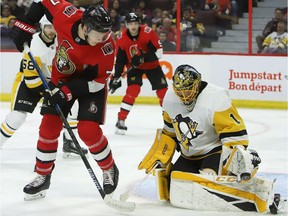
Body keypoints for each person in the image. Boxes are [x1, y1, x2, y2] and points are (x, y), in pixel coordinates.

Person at [138, 64, 284, 214]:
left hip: (213, 152)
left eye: (188, 90)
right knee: (175, 185)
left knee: (208, 180)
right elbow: (170, 132)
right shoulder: (169, 98)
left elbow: (234, 134)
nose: (184, 95)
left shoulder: (215, 97)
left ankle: (259, 189)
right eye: (180, 91)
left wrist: (233, 162)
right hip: (188, 155)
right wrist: (161, 153)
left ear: (197, 84)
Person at [9, 1, 119, 200]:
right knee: (48, 127)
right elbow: (42, 2)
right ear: (85, 27)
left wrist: (67, 91)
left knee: (88, 131)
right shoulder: (65, 15)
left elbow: (99, 83)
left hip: (90, 86)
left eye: (106, 33)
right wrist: (25, 24)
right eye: (99, 33)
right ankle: (43, 176)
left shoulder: (107, 47)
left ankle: (109, 168)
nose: (104, 37)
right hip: (62, 79)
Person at [0, 15, 88, 159]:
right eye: (48, 27)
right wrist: (48, 92)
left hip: (51, 84)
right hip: (28, 83)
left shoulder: (61, 41)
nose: (52, 30)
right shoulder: (33, 43)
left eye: (54, 27)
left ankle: (69, 142)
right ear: (42, 27)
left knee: (74, 104)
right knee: (17, 117)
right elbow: (31, 80)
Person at [109, 12, 168, 135]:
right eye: (130, 24)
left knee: (163, 92)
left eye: (135, 23)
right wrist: (116, 77)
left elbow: (159, 52)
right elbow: (120, 60)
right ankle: (120, 120)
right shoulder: (121, 37)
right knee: (132, 91)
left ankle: (170, 122)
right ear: (126, 25)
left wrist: (143, 57)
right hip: (135, 67)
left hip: (152, 66)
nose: (133, 26)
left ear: (139, 24)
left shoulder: (148, 32)